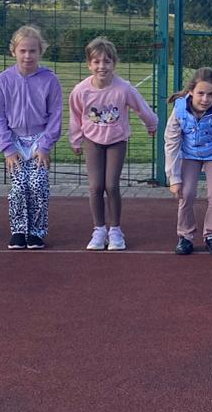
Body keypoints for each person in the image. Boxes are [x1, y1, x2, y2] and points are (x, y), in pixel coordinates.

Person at [68, 36, 158, 251]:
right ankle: (99, 229)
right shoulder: (81, 90)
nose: (102, 66)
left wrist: (151, 123)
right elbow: (76, 115)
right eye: (96, 62)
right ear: (89, 64)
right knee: (95, 186)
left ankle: (115, 230)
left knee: (111, 185)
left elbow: (140, 107)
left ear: (114, 64)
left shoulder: (123, 88)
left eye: (107, 61)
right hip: (92, 140)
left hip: (117, 140)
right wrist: (76, 139)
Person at [0, 25, 62, 250]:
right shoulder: (4, 80)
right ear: (13, 51)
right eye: (22, 51)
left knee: (38, 185)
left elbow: (56, 114)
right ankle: (19, 230)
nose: (27, 56)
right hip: (15, 140)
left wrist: (45, 145)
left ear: (40, 52)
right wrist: (7, 148)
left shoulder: (50, 80)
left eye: (32, 51)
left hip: (39, 139)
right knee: (19, 187)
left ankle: (36, 232)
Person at [164, 67, 212, 255]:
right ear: (191, 92)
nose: (205, 99)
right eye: (200, 93)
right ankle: (185, 236)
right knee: (186, 193)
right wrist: (174, 178)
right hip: (189, 155)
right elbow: (171, 143)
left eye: (210, 94)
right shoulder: (179, 111)